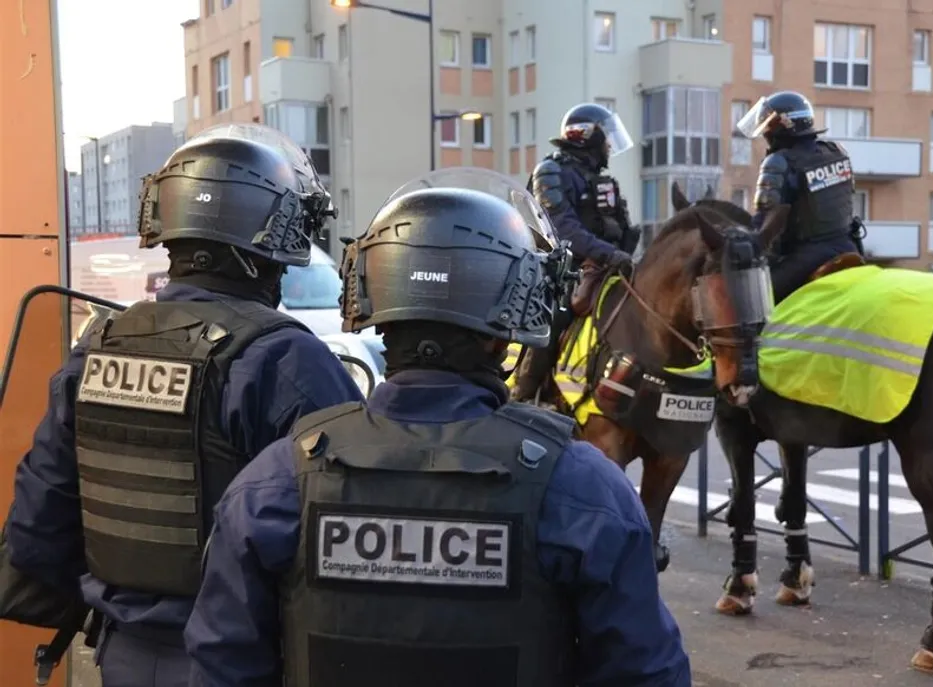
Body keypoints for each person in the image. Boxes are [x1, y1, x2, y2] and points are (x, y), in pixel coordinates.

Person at [184, 167, 692, 687]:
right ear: (508, 331)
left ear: (376, 307)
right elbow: (646, 673)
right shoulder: (585, 490)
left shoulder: (273, 484)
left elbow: (224, 666)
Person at [0, 123, 365, 687]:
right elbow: (344, 549)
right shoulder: (287, 362)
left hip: (121, 654)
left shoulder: (98, 346)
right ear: (274, 241)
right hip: (242, 661)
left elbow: (36, 530)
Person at [726, 90, 864, 404]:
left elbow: (766, 224)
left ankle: (746, 381)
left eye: (768, 127)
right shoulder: (835, 150)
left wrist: (746, 247)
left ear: (781, 127)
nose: (765, 136)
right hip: (848, 246)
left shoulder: (778, 162)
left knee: (745, 306)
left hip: (807, 255)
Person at [512, 102, 641, 403]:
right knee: (556, 316)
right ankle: (522, 396)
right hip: (557, 270)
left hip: (601, 267)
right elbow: (562, 230)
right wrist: (608, 253)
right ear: (585, 135)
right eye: (606, 137)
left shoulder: (602, 180)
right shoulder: (550, 172)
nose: (610, 145)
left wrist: (624, 244)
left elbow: (617, 228)